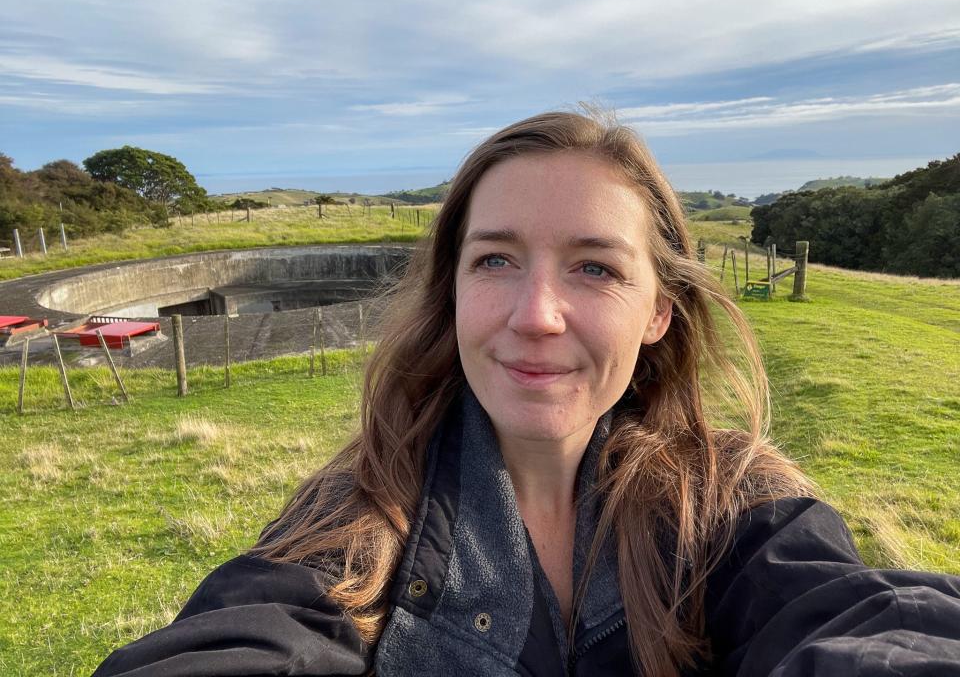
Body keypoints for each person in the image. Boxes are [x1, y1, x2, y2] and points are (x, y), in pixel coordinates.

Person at [94, 111, 960, 676]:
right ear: (455, 291)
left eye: (593, 267)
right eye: (495, 260)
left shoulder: (734, 504)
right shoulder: (354, 518)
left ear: (659, 311)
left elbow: (854, 620)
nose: (536, 314)